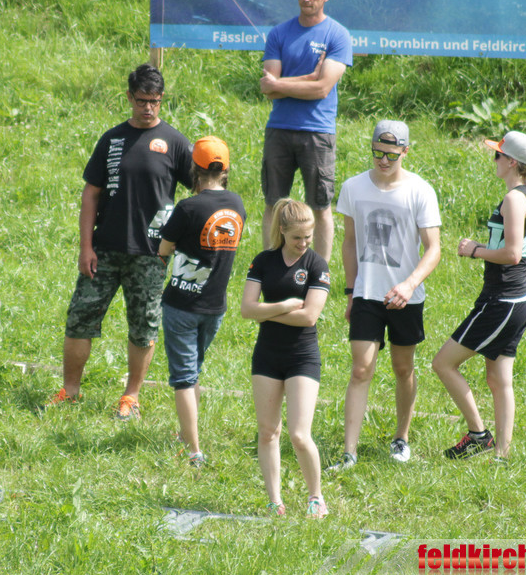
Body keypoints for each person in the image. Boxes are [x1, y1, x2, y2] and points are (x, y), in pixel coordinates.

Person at [49, 64, 193, 419]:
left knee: (144, 327)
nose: (148, 108)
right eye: (142, 100)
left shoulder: (175, 142)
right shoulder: (111, 139)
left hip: (151, 254)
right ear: (129, 97)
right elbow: (90, 194)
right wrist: (85, 247)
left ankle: (131, 397)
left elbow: (201, 189)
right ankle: (70, 390)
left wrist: (180, 239)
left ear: (162, 100)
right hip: (104, 250)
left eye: (155, 101)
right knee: (79, 318)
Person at [329, 120, 441, 470]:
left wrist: (409, 285)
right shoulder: (353, 187)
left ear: (405, 151)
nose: (383, 160)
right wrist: (351, 291)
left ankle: (400, 438)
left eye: (391, 155)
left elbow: (434, 248)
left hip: (406, 296)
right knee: (361, 369)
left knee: (402, 367)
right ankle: (349, 452)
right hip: (367, 293)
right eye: (377, 153)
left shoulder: (420, 191)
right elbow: (349, 242)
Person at [432, 131, 526, 462]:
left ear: (511, 162)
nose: (493, 159)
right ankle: (502, 456)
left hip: (502, 303)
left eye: (497, 155)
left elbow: (512, 254)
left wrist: (474, 250)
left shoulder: (513, 200)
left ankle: (478, 435)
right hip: (517, 301)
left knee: (443, 363)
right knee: (498, 379)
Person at [158, 136, 246, 467]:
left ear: (194, 169)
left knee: (183, 377)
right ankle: (186, 434)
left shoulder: (188, 207)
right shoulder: (237, 205)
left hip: (181, 304)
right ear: (225, 170)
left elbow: (164, 249)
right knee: (193, 371)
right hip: (214, 306)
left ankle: (193, 450)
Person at [241, 199, 331, 518]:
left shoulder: (317, 265)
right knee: (268, 431)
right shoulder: (263, 261)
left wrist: (265, 312)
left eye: (308, 237)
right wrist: (284, 306)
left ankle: (316, 497)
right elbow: (246, 309)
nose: (303, 243)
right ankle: (274, 501)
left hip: (302, 356)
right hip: (267, 355)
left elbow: (309, 317)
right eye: (297, 238)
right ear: (282, 231)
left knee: (299, 434)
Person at [259, 0, 353, 262]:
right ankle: (269, 268)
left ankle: (320, 273)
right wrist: (308, 78)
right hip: (279, 129)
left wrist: (285, 84)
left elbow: (322, 89)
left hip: (317, 131)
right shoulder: (279, 33)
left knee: (320, 207)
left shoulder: (338, 35)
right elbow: (269, 90)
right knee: (273, 204)